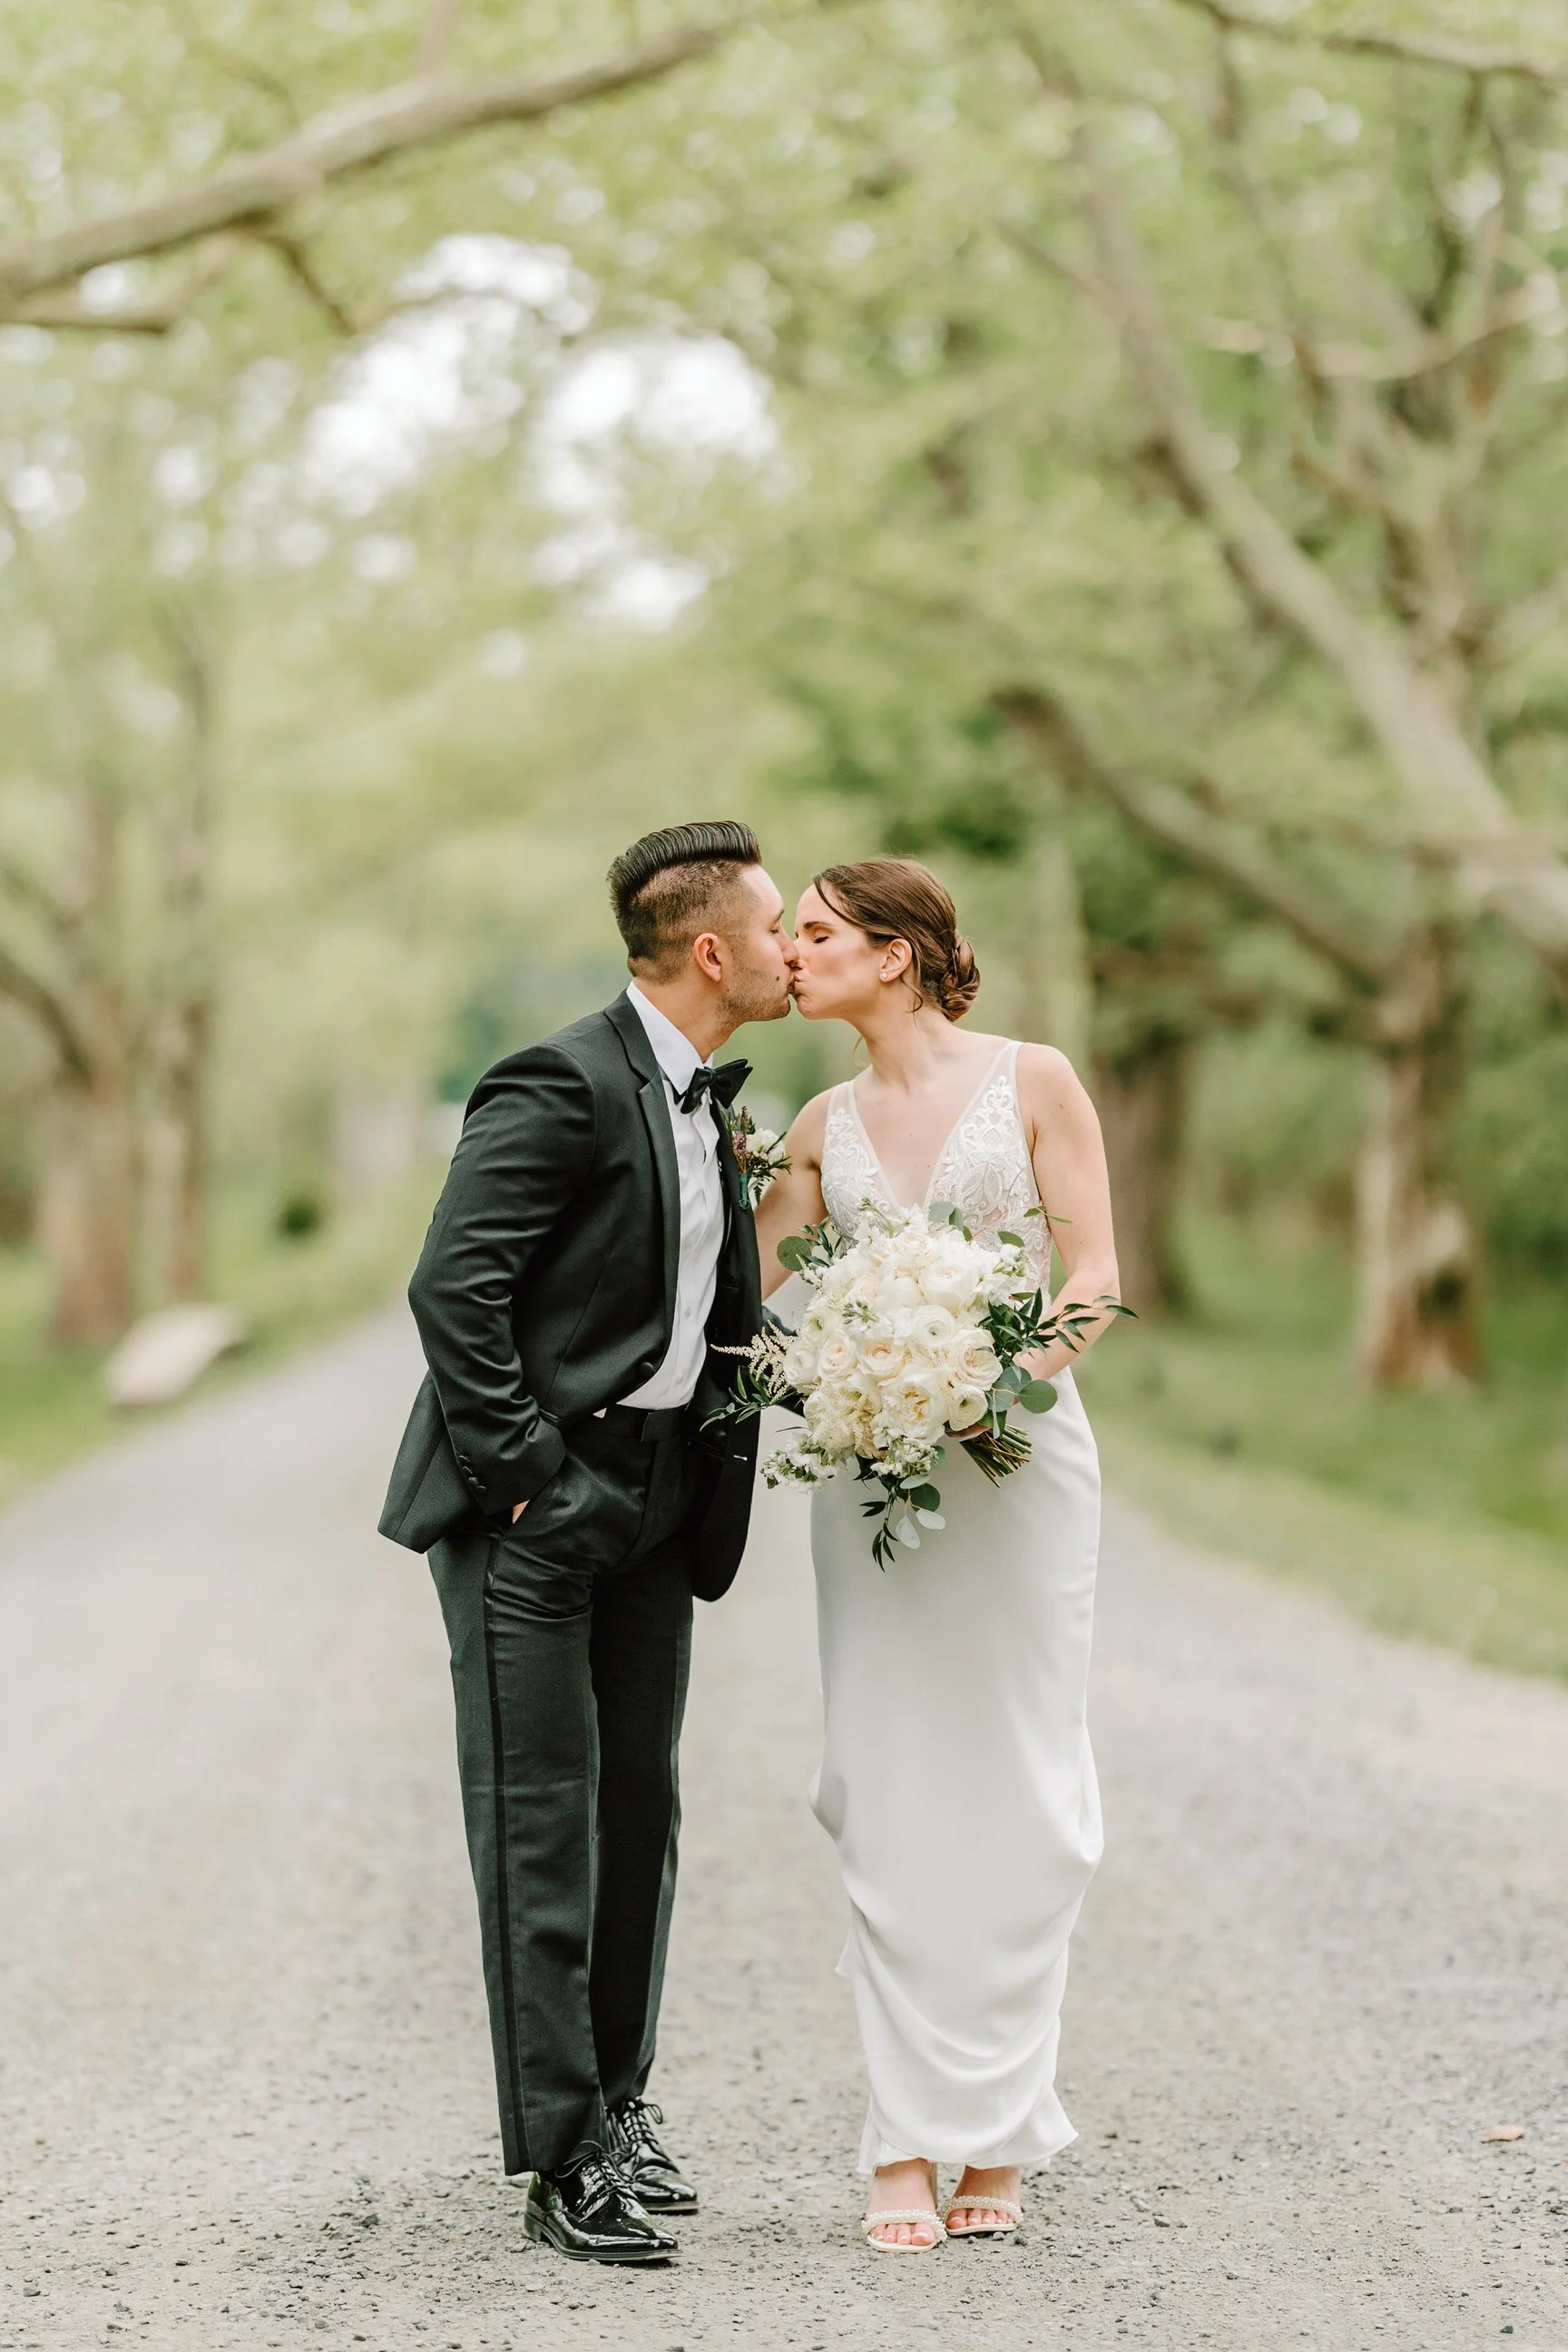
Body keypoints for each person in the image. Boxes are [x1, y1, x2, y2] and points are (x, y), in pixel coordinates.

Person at [380, 820, 798, 2265]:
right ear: (707, 951)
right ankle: (562, 2158)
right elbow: (455, 1290)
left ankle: (618, 2106)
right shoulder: (558, 1082)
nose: (791, 946)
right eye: (773, 926)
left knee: (639, 1822)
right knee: (545, 1825)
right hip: (540, 1515)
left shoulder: (705, 1099)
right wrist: (529, 1482)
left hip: (660, 1504)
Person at [754, 857, 1120, 2253]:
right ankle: (902, 2137)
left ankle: (1001, 2135)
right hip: (869, 1481)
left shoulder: (1036, 1079)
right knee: (885, 1778)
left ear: (895, 954)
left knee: (1021, 1784)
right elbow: (762, 1301)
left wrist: (995, 1385)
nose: (792, 951)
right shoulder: (813, 1123)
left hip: (1021, 1471)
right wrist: (839, 1381)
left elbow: (1092, 1273)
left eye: (818, 933)